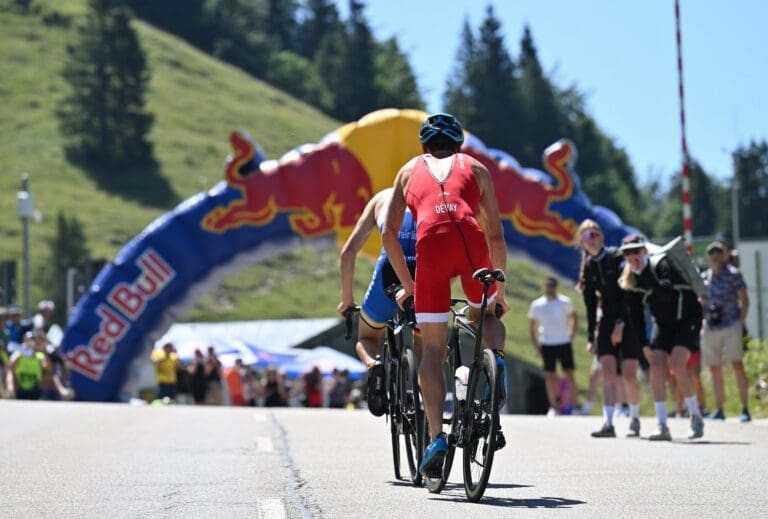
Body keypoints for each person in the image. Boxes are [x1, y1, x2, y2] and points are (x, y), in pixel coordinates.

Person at [382, 112, 508, 477]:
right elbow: (496, 236)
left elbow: (389, 232)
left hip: (430, 247)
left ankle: (437, 436)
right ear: (459, 146)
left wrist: (409, 285)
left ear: (424, 146)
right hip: (469, 241)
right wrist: (499, 292)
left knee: (433, 351)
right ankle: (495, 361)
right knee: (484, 316)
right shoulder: (476, 167)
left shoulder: (407, 171)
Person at [337, 187, 417, 416]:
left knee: (367, 336)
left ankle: (375, 365)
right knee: (429, 342)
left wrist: (347, 300)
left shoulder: (382, 198)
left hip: (389, 273)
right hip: (424, 273)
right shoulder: (433, 196)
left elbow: (348, 252)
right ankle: (422, 388)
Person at [620, 235, 704, 441]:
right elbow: (635, 315)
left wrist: (645, 272)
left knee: (677, 364)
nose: (632, 256)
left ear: (644, 251)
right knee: (656, 366)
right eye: (628, 253)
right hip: (664, 324)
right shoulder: (629, 280)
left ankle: (695, 416)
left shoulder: (662, 265)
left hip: (687, 316)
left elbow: (664, 292)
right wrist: (644, 345)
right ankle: (662, 425)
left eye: (636, 251)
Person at [578, 219, 644, 438]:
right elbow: (589, 305)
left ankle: (634, 418)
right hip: (606, 321)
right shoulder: (588, 267)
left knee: (629, 374)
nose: (593, 238)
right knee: (607, 371)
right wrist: (590, 337)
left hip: (629, 319)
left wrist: (620, 325)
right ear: (583, 242)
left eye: (596, 233)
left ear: (602, 237)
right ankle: (608, 423)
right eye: (588, 235)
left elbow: (627, 294)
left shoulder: (616, 257)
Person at [700, 241, 751, 422]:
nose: (715, 256)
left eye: (718, 252)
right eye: (711, 252)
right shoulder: (704, 277)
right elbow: (701, 300)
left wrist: (740, 322)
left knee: (737, 365)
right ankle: (719, 409)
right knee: (714, 368)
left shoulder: (733, 275)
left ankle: (745, 408)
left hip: (730, 325)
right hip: (710, 327)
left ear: (725, 255)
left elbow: (744, 300)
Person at [528, 276, 579, 416]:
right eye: (547, 285)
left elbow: (574, 316)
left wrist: (571, 333)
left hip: (564, 342)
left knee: (569, 374)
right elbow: (532, 326)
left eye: (552, 285)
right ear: (544, 286)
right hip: (547, 343)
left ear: (556, 286)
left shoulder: (565, 302)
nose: (550, 287)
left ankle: (574, 406)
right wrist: (536, 345)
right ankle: (555, 407)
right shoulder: (537, 305)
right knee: (550, 376)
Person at [7, 331, 49, 400]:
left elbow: (46, 367)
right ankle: (11, 392)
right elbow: (10, 366)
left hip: (35, 388)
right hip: (20, 387)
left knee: (48, 374)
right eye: (28, 340)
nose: (30, 342)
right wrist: (22, 351)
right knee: (10, 371)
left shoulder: (39, 355)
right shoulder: (18, 353)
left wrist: (43, 351)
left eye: (32, 340)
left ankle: (43, 395)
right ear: (24, 341)